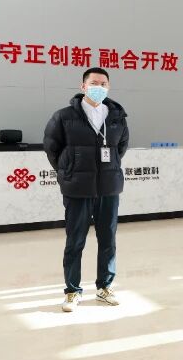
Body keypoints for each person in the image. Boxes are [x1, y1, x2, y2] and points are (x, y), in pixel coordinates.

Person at [43, 67, 130, 312]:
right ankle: (72, 291)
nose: (98, 87)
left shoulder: (117, 116)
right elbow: (51, 147)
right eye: (94, 83)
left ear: (108, 87)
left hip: (108, 187)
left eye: (103, 84)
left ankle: (105, 287)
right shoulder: (63, 116)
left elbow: (120, 148)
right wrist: (69, 171)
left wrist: (108, 168)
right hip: (77, 188)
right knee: (75, 241)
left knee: (108, 240)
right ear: (83, 86)